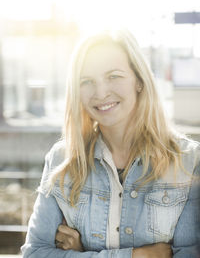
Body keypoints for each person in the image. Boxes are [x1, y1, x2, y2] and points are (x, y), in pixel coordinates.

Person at [21, 29, 200, 258]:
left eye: (113, 76)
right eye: (86, 81)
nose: (101, 92)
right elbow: (34, 254)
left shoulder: (189, 161)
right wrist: (139, 256)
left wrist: (82, 253)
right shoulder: (61, 159)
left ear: (139, 81)